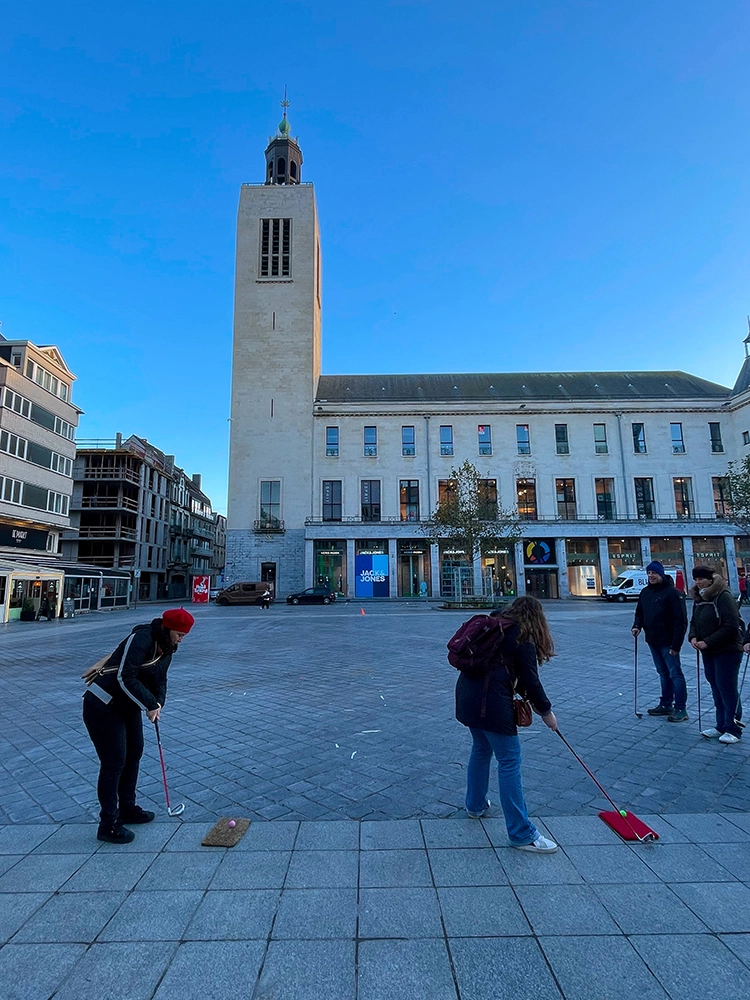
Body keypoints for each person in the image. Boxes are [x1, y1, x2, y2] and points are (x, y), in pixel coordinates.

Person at [455, 596, 559, 853]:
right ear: (537, 619)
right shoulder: (523, 638)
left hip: (467, 695)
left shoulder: (495, 625)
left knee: (481, 748)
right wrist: (547, 712)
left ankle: (476, 805)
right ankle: (521, 833)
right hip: (491, 703)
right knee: (510, 760)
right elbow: (531, 682)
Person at [82, 607, 195, 843]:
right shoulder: (142, 637)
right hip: (103, 705)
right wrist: (148, 704)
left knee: (134, 752)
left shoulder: (168, 647)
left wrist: (158, 703)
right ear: (168, 627)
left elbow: (160, 679)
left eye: (185, 635)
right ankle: (108, 825)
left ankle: (127, 808)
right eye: (180, 633)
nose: (182, 638)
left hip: (127, 706)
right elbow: (126, 676)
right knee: (114, 762)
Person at [689, 566, 743, 743]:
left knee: (727, 688)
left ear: (710, 579)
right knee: (716, 687)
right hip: (708, 651)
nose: (698, 582)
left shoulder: (723, 596)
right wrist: (693, 636)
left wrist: (708, 641)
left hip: (727, 650)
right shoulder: (699, 598)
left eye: (701, 579)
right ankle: (721, 725)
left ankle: (733, 728)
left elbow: (731, 625)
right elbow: (694, 621)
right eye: (696, 579)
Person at [631, 561, 688, 721]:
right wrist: (637, 626)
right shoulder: (645, 592)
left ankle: (680, 708)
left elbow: (681, 620)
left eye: (654, 573)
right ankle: (666, 704)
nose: (651, 576)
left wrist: (676, 644)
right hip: (653, 640)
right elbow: (640, 612)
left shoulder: (673, 593)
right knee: (663, 673)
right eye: (649, 573)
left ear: (661, 574)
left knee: (675, 673)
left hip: (668, 641)